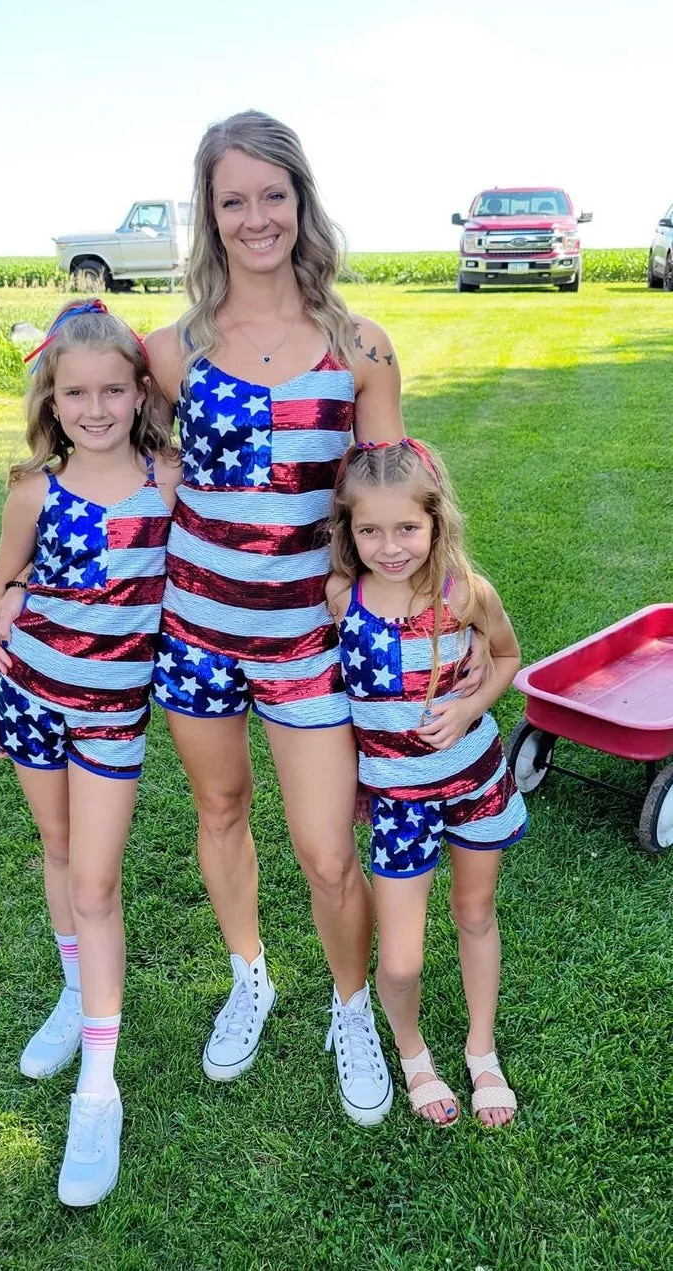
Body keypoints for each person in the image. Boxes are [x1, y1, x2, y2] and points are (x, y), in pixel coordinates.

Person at [141, 109, 406, 1126]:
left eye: (273, 195)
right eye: (233, 199)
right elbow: (118, 459)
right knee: (218, 811)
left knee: (329, 849)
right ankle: (249, 972)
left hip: (309, 639)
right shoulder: (167, 351)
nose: (256, 218)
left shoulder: (360, 346)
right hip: (196, 630)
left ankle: (352, 1008)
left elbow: (387, 497)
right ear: (209, 214)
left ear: (303, 201)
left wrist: (419, 617)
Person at [0, 300, 180, 1205]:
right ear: (51, 399)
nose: (93, 407)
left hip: (110, 715)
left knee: (97, 880)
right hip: (31, 697)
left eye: (111, 389)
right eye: (74, 392)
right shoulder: (32, 488)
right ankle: (72, 991)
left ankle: (98, 1092)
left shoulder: (169, 484)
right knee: (57, 854)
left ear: (140, 392)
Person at [326, 438, 527, 1128]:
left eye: (407, 527)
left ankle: (479, 1050)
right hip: (398, 800)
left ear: (436, 522)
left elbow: (506, 655)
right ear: (347, 530)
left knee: (474, 912)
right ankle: (412, 1053)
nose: (389, 546)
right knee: (403, 958)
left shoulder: (463, 591)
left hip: (475, 782)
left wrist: (471, 705)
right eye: (369, 529)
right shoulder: (339, 598)